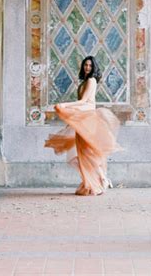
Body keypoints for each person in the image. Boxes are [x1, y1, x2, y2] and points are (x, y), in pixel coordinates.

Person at [45, 55, 121, 196]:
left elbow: (85, 101)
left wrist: (65, 105)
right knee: (79, 154)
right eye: (85, 65)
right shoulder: (84, 82)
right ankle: (92, 180)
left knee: (87, 153)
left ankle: (103, 179)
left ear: (94, 68)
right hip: (83, 118)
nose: (87, 67)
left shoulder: (91, 80)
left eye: (90, 66)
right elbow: (82, 102)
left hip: (89, 119)